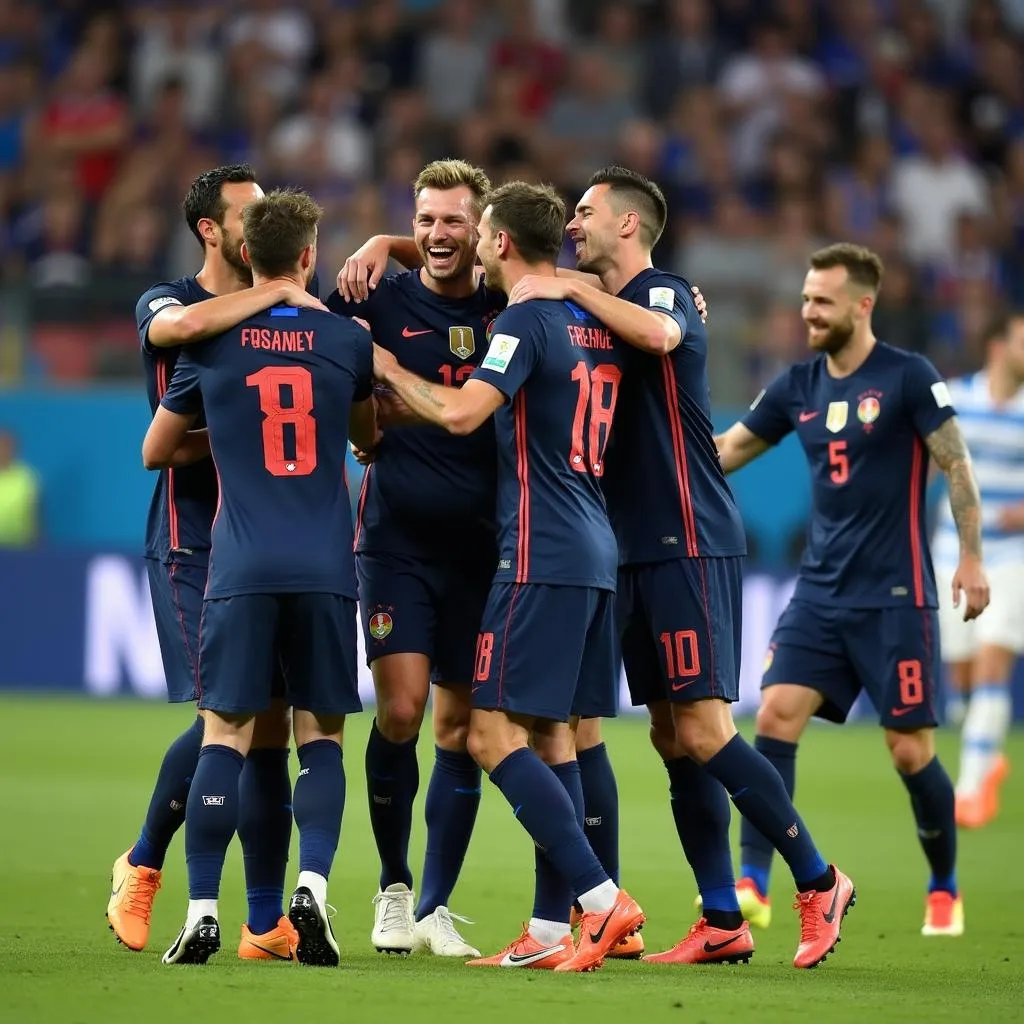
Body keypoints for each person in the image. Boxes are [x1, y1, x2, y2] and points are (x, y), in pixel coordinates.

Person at [508, 166, 853, 969]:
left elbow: (661, 336)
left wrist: (564, 286)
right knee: (670, 737)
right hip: (624, 546)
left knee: (704, 728)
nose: (574, 227)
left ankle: (818, 877)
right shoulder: (599, 310)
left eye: (587, 214)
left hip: (687, 540)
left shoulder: (665, 294)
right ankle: (721, 917)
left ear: (629, 225)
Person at [371, 180, 643, 973]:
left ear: (498, 243)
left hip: (538, 550)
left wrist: (388, 366)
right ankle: (550, 930)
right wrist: (388, 246)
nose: (471, 242)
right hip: (595, 546)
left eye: (480, 232)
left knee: (490, 735)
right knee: (559, 736)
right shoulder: (590, 316)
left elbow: (461, 414)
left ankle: (600, 901)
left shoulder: (523, 317)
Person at [715, 242, 990, 939]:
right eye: (806, 299)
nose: (808, 312)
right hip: (818, 594)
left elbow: (955, 466)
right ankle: (755, 880)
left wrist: (970, 558)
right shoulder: (796, 385)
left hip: (895, 597)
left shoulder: (908, 377)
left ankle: (944, 885)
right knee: (774, 717)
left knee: (909, 751)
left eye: (822, 302)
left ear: (862, 306)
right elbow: (728, 451)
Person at [143, 188, 377, 966]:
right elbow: (366, 438)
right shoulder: (346, 342)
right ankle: (309, 887)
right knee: (321, 741)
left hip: (239, 564)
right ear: (309, 256)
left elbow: (157, 449)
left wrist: (235, 429)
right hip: (324, 565)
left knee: (227, 736)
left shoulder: (213, 343)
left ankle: (204, 907)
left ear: (249, 254)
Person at [111, 164, 322, 959]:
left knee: (269, 724)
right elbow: (168, 336)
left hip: (272, 539)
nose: (260, 223)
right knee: (222, 717)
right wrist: (274, 297)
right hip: (194, 535)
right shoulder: (168, 300)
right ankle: (142, 863)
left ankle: (264, 921)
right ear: (210, 228)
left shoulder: (286, 306)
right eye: (248, 212)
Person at [325, 159, 502, 958]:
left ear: (481, 229)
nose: (436, 235)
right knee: (400, 711)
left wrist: (408, 406)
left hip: (486, 545)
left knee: (460, 729)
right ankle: (394, 889)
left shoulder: (511, 301)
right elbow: (339, 390)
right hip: (395, 538)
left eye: (453, 221)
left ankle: (435, 906)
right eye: (423, 220)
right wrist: (440, 411)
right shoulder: (375, 295)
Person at [935, 311, 1024, 828]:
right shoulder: (957, 399)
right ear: (998, 347)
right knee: (962, 676)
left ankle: (969, 790)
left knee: (993, 663)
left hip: (1012, 555)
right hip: (951, 549)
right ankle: (987, 754)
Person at [0, 429, 40, 548]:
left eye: (7, 447)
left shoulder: (26, 477)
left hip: (19, 547)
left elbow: (35, 511)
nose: (3, 452)